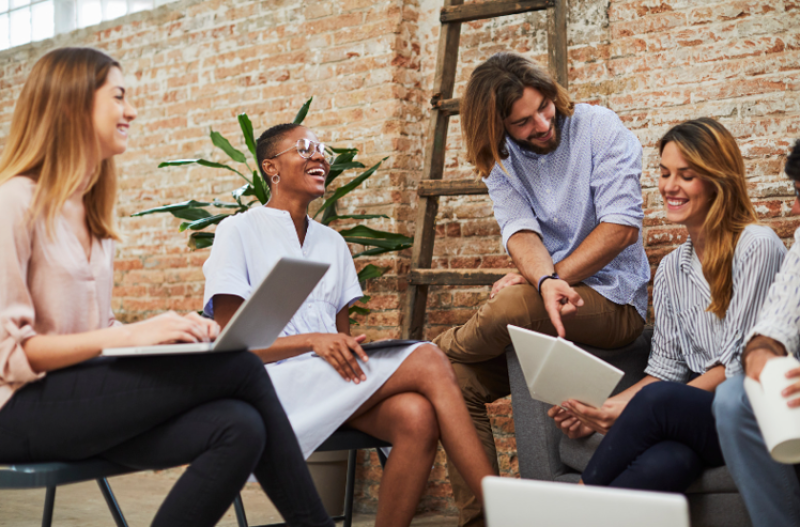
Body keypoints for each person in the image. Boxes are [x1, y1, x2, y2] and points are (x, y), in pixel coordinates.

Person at [0, 47, 335, 527]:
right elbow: (11, 354)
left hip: (81, 399)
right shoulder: (14, 202)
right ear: (72, 104)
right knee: (240, 368)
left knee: (239, 427)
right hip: (18, 408)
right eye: (117, 97)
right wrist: (131, 335)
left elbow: (95, 331)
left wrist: (171, 336)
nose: (131, 110)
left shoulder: (90, 213)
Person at [202, 123, 495, 527]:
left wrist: (341, 344)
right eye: (305, 148)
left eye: (322, 149)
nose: (320, 156)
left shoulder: (332, 243)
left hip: (325, 381)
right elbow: (232, 348)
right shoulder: (238, 231)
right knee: (427, 357)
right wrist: (312, 342)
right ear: (271, 167)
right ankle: (505, 511)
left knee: (416, 416)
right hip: (266, 385)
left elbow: (337, 337)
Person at [432, 51, 650, 526]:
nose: (542, 124)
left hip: (614, 302)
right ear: (497, 127)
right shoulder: (500, 160)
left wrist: (550, 280)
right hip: (552, 303)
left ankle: (422, 354)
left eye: (544, 108)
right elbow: (520, 231)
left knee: (509, 303)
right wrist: (544, 280)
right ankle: (482, 519)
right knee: (452, 381)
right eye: (523, 121)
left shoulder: (599, 128)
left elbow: (620, 227)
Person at [560, 118, 786, 492]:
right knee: (668, 463)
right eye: (665, 173)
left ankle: (570, 503)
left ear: (718, 180)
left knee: (658, 401)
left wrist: (621, 412)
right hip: (701, 419)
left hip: (751, 411)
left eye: (686, 175)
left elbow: (738, 366)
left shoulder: (756, 246)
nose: (669, 186)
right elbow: (665, 369)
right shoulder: (669, 270)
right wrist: (600, 407)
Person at [712, 139, 800, 527]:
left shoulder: (758, 245)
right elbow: (777, 320)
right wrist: (761, 354)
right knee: (734, 397)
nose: (795, 208)